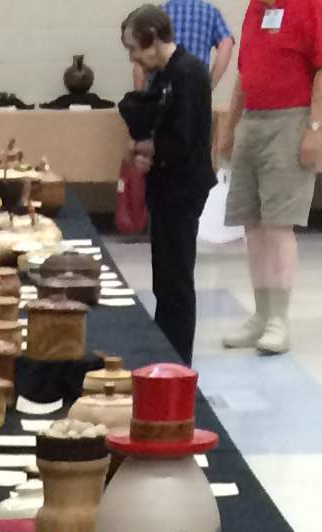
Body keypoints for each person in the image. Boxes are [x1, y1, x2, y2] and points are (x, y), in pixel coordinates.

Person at [222, 0, 322, 355]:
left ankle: (278, 320)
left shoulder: (309, 6)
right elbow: (244, 73)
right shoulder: (255, 9)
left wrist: (314, 128)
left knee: (278, 224)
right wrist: (229, 125)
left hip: (290, 121)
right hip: (252, 121)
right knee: (252, 224)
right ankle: (261, 314)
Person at [121, 7, 221, 364]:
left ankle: (178, 364)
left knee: (176, 281)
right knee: (163, 279)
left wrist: (144, 148)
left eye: (134, 48)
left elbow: (183, 139)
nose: (133, 57)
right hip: (166, 186)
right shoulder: (165, 74)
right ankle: (164, 354)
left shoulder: (188, 73)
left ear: (152, 37)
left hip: (183, 189)